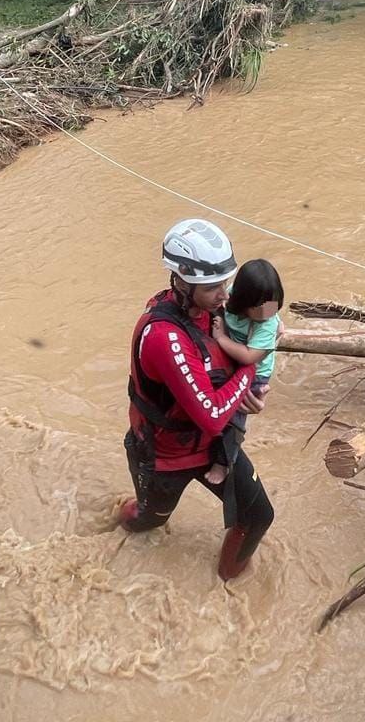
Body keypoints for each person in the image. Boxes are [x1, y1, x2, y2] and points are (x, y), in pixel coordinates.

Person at [121, 218, 275, 581]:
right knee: (148, 521)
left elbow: (260, 326)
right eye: (213, 288)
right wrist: (251, 370)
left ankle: (229, 582)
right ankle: (121, 519)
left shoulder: (211, 310)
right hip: (165, 458)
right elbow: (211, 414)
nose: (225, 295)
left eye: (225, 283)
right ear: (181, 281)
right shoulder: (164, 337)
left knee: (258, 517)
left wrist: (264, 340)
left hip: (212, 448)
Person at [205, 259, 284, 486]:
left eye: (273, 306)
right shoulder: (230, 296)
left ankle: (224, 461)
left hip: (255, 372)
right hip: (232, 360)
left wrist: (220, 338)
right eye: (259, 306)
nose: (266, 312)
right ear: (241, 299)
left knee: (236, 418)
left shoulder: (266, 319)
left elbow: (250, 357)